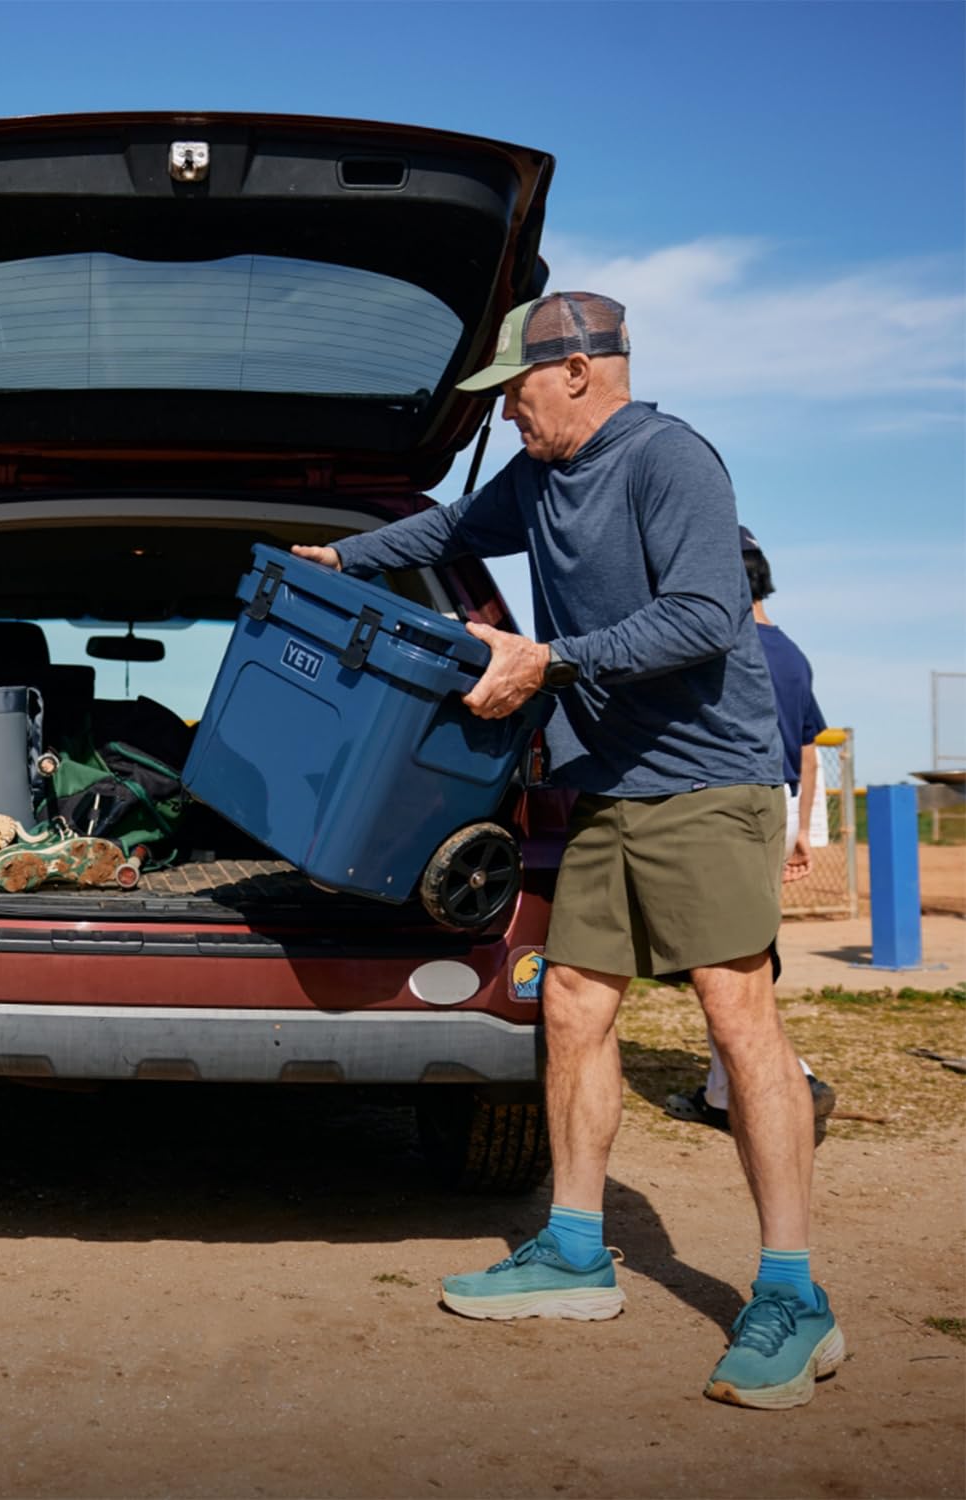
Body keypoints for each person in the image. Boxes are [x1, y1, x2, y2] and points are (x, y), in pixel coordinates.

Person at [293, 292, 843, 1410]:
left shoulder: (668, 459)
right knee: (575, 1005)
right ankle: (578, 1253)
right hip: (608, 785)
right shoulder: (541, 477)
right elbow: (447, 530)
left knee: (739, 1017)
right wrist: (344, 557)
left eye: (516, 394)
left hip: (707, 781)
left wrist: (547, 661)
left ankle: (795, 1295)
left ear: (582, 371)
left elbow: (700, 615)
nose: (507, 417)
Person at [666, 528, 837, 1135]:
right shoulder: (791, 651)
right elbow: (811, 751)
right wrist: (802, 830)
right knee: (744, 952)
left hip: (731, 806)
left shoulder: (729, 649)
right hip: (781, 801)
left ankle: (792, 1078)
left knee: (726, 959)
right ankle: (724, 1091)